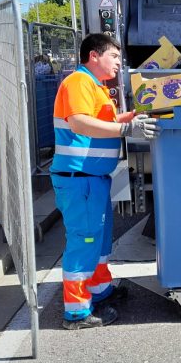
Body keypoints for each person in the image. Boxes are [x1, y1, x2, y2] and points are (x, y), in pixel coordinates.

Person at [52, 33, 160, 330]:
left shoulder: (95, 86)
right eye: (114, 56)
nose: (118, 62)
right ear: (94, 56)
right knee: (84, 241)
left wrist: (133, 117)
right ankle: (76, 312)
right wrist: (126, 129)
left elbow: (105, 122)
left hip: (92, 179)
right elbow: (79, 122)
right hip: (79, 178)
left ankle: (99, 291)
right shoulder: (78, 82)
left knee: (98, 242)